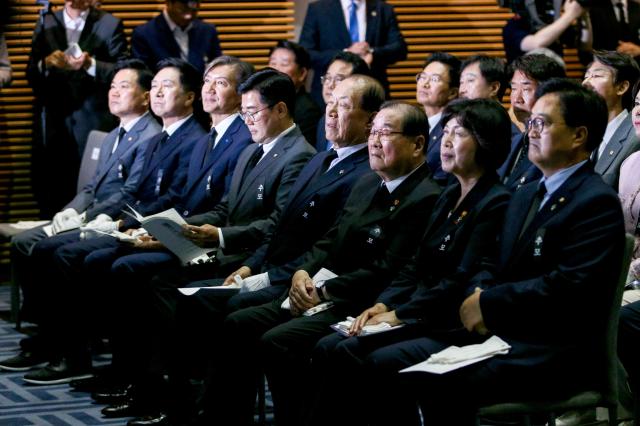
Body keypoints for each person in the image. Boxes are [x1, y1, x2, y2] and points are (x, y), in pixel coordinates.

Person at [356, 79, 625, 425]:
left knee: (408, 372)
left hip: (552, 351)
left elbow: (568, 287)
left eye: (541, 123)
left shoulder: (595, 201)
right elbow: (489, 261)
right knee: (382, 361)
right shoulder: (526, 192)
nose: (530, 132)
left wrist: (487, 304)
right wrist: (478, 294)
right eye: (530, 123)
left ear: (578, 136)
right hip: (501, 334)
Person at [123, 74, 383, 426]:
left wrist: (267, 275)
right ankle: (189, 402)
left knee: (228, 311)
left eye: (344, 106)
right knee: (187, 297)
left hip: (301, 276)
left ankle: (215, 411)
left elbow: (327, 245)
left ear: (371, 120)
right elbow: (279, 227)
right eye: (330, 104)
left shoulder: (364, 172)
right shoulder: (320, 160)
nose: (331, 113)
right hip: (270, 265)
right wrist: (250, 269)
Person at [197, 101, 442, 426]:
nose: (374, 141)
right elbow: (330, 238)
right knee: (239, 321)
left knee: (279, 342)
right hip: (323, 288)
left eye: (386, 133)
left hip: (361, 299)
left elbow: (388, 268)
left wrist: (323, 290)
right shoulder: (369, 181)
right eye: (373, 132)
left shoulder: (426, 196)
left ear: (417, 144)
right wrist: (303, 272)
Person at [92, 68, 316, 421]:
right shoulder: (254, 150)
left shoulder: (297, 154)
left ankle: (180, 397)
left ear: (281, 110)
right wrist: (176, 227)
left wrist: (220, 235)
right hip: (219, 248)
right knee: (147, 279)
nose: (247, 120)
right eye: (242, 112)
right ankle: (164, 389)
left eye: (252, 112)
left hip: (246, 257)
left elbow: (276, 225)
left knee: (167, 290)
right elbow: (226, 208)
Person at [308, 97, 512, 426]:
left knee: (357, 354)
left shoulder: (496, 202)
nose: (445, 141)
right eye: (445, 131)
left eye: (459, 134)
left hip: (449, 321)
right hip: (419, 311)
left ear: (487, 143)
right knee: (330, 346)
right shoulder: (449, 194)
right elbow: (414, 264)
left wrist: (399, 314)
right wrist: (382, 304)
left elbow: (459, 281)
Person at [0, 58, 205, 383]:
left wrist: (118, 222)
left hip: (150, 228)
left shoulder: (185, 137)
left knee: (64, 254)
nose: (158, 92)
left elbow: (154, 196)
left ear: (192, 95)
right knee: (44, 249)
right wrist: (70, 214)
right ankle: (55, 346)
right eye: (155, 86)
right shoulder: (138, 136)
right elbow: (106, 189)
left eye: (166, 86)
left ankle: (80, 355)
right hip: (125, 222)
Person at [6, 58, 161, 328]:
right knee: (22, 244)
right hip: (89, 215)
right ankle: (39, 320)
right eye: (112, 86)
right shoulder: (113, 134)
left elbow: (128, 193)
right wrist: (68, 211)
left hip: (111, 219)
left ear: (146, 97)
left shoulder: (150, 135)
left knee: (45, 249)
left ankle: (53, 328)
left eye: (124, 87)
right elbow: (91, 188)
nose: (114, 92)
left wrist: (85, 216)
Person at [27, 0, 128, 217]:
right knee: (50, 191)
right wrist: (46, 63)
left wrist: (90, 65)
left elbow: (123, 71)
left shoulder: (109, 23)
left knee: (89, 189)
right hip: (52, 123)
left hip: (92, 122)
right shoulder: (46, 20)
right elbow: (31, 73)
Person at [299, 0, 407, 105]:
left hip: (371, 94)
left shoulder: (383, 8)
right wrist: (346, 53)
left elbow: (400, 49)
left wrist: (372, 52)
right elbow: (305, 54)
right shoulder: (318, 9)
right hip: (328, 96)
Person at [498, 53, 566, 190]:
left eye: (526, 89)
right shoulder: (513, 141)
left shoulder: (557, 148)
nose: (517, 98)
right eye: (513, 88)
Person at [582, 50, 640, 188]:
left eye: (596, 75)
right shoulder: (585, 132)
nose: (585, 83)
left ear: (622, 87)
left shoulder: (635, 135)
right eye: (586, 76)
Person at [131, 0, 222, 74]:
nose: (189, 16)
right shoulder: (144, 34)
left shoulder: (208, 30)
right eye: (183, 9)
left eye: (194, 9)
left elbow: (218, 68)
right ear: (168, 3)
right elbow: (143, 76)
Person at [416, 52, 460, 184]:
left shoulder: (454, 128)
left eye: (435, 79)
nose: (425, 84)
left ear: (452, 92)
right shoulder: (415, 122)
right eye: (422, 77)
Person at [268, 40, 322, 147]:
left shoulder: (308, 111)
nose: (275, 69)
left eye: (284, 64)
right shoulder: (264, 101)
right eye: (273, 63)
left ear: (302, 73)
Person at [315, 51, 370, 151]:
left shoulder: (362, 125)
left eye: (339, 79)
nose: (330, 85)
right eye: (328, 78)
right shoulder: (324, 120)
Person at [502, 0, 589, 63]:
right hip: (526, 82)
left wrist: (583, 14)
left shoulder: (555, 25)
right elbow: (536, 44)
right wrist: (570, 15)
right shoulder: (514, 24)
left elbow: (585, 45)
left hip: (555, 82)